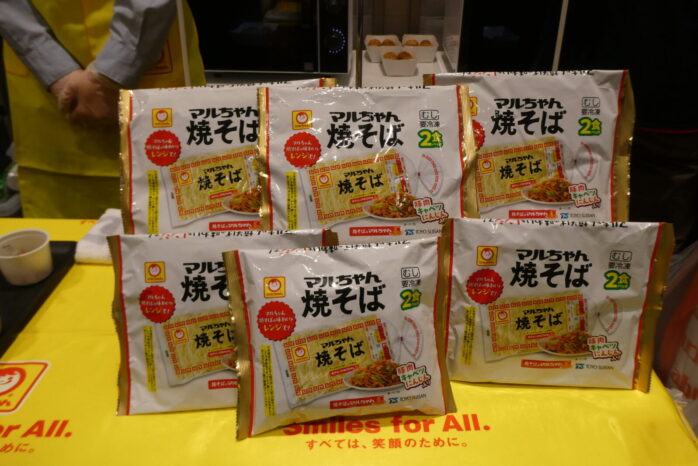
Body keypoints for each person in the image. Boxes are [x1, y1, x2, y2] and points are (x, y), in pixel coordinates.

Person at [0, 0, 205, 218]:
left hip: (149, 55)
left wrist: (106, 75)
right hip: (45, 87)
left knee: (172, 217)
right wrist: (65, 73)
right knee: (61, 233)